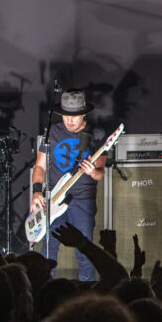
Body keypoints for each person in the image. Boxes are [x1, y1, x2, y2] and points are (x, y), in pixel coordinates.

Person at [29, 89, 106, 281]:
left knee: (85, 250)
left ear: (84, 114)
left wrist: (92, 171)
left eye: (74, 116)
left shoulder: (96, 134)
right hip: (54, 198)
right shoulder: (52, 132)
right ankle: (45, 289)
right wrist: (37, 192)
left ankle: (87, 292)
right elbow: (40, 166)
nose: (69, 121)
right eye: (65, 116)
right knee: (48, 248)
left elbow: (100, 173)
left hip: (82, 199)